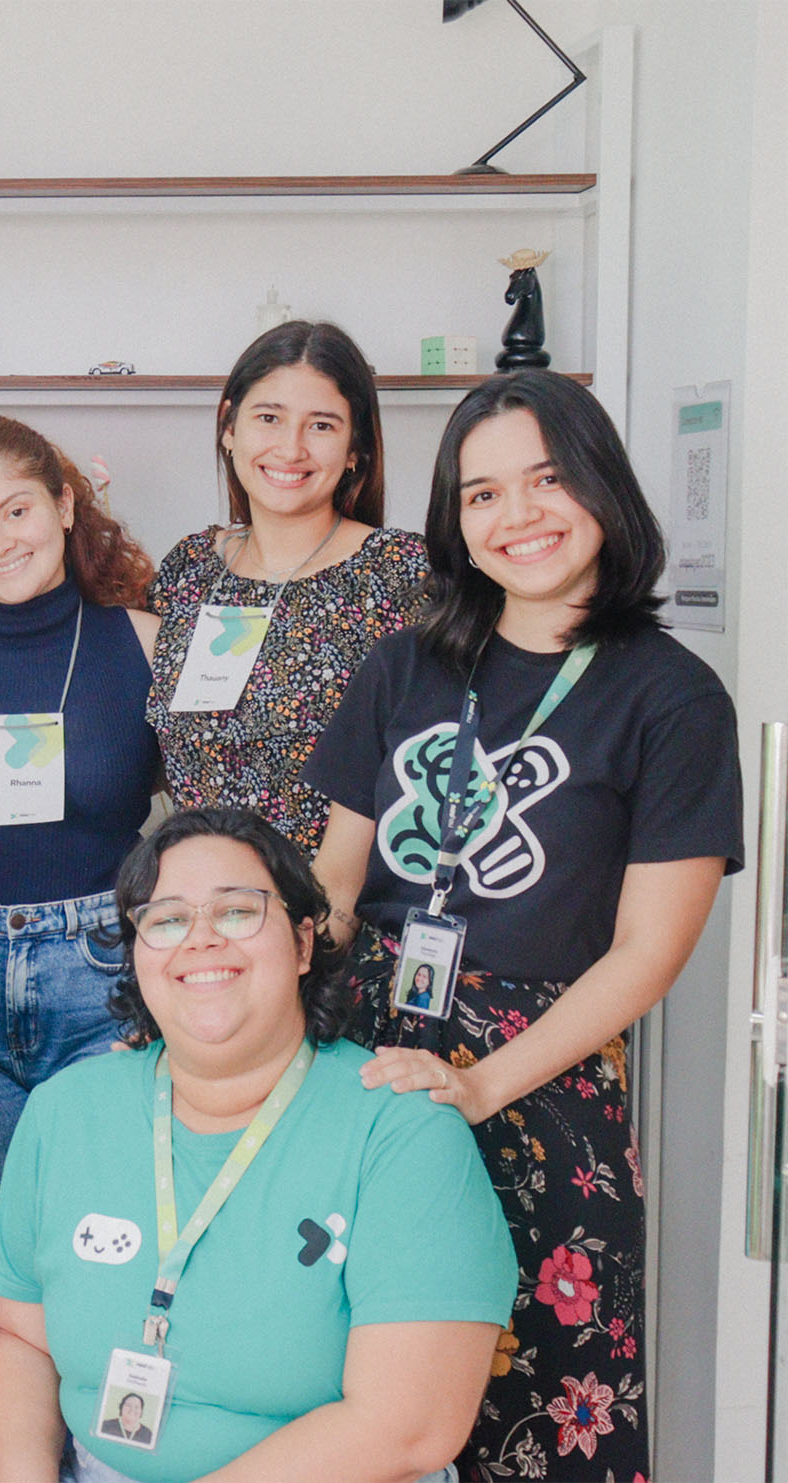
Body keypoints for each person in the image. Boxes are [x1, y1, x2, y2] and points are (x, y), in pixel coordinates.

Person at [306, 370, 741, 1481]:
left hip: (542, 1084)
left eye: (546, 480)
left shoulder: (673, 698)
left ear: (600, 487)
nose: (519, 517)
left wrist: (481, 1085)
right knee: (345, 1392)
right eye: (483, 493)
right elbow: (338, 885)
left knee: (543, 1407)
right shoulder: (404, 664)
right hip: (365, 1061)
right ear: (455, 520)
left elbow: (649, 952)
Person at [0, 809, 515, 1483]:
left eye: (236, 910)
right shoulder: (65, 1110)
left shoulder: (402, 1130)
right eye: (166, 918)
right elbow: (22, 1337)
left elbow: (410, 1426)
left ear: (301, 943)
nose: (200, 939)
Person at [0, 415, 161, 1210]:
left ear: (64, 503)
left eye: (16, 510)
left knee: (101, 1229)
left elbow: (204, 829)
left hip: (107, 978)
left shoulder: (150, 642)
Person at [146, 321, 427, 853]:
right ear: (229, 426)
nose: (290, 448)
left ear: (355, 450)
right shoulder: (189, 570)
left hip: (341, 912)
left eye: (321, 426)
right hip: (210, 907)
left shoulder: (402, 574)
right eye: (269, 418)